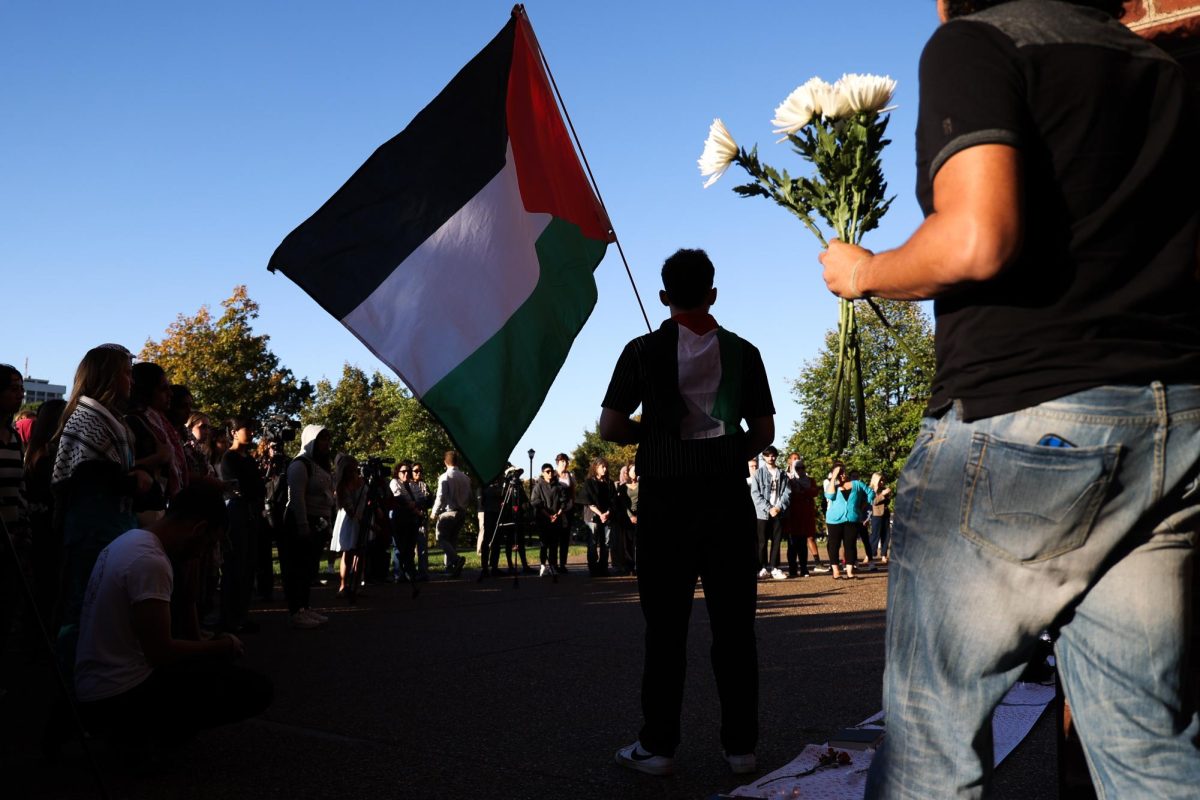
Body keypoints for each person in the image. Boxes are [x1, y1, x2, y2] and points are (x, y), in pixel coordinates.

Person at [818, 1, 1200, 796]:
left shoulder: (978, 43)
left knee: (933, 747)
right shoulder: (1166, 71)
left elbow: (976, 238)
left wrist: (864, 272)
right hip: (1172, 421)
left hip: (1026, 419)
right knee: (1148, 748)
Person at [600, 247, 774, 777]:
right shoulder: (744, 352)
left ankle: (658, 746)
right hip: (725, 498)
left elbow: (609, 426)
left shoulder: (640, 351)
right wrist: (721, 451)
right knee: (735, 627)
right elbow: (764, 434)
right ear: (713, 293)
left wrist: (651, 436)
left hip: (666, 502)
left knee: (666, 628)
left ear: (663, 296)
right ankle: (741, 746)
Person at [74, 480, 272, 742]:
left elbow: (181, 631)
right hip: (119, 692)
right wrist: (222, 646)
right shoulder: (151, 562)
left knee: (209, 665)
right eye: (209, 544)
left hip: (95, 685)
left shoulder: (132, 540)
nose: (204, 554)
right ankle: (144, 737)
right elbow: (161, 652)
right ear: (199, 530)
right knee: (256, 690)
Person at [52, 344, 151, 670]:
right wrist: (131, 479)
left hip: (110, 522)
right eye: (126, 373)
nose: (131, 381)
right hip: (93, 526)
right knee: (85, 604)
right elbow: (85, 475)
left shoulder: (106, 416)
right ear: (108, 375)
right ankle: (75, 683)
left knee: (105, 604)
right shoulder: (88, 417)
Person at [281, 425, 334, 629]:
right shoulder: (300, 465)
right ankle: (296, 611)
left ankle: (305, 606)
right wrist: (303, 525)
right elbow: (297, 497)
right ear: (311, 440)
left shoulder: (320, 465)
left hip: (318, 521)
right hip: (300, 521)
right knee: (298, 567)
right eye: (321, 439)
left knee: (309, 568)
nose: (326, 443)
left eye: (327, 439)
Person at [217, 417, 265, 633]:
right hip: (238, 512)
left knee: (248, 565)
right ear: (234, 432)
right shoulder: (229, 458)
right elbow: (244, 487)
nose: (252, 433)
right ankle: (230, 617)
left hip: (251, 512)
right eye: (248, 428)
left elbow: (257, 487)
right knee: (235, 564)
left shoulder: (249, 459)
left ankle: (242, 615)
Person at [822, 463, 873, 580]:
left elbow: (870, 492)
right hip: (834, 520)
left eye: (844, 472)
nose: (843, 474)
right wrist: (834, 478)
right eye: (840, 473)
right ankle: (836, 572)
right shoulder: (831, 485)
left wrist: (863, 505)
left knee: (850, 545)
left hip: (852, 518)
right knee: (834, 546)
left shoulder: (857, 484)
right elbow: (829, 496)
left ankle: (850, 572)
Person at [330, 455, 368, 602]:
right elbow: (348, 507)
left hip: (362, 517)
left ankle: (356, 586)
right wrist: (358, 517)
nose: (354, 471)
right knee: (349, 552)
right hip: (349, 521)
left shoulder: (362, 481)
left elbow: (366, 498)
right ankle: (343, 585)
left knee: (361, 553)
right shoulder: (342, 486)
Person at [750, 446, 791, 580]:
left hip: (778, 512)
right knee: (762, 542)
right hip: (762, 513)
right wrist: (769, 508)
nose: (771, 458)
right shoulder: (758, 474)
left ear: (776, 456)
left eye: (773, 455)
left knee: (776, 541)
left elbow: (787, 493)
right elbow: (755, 494)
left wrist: (778, 507)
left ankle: (774, 567)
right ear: (764, 457)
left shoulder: (783, 474)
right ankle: (761, 567)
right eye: (768, 455)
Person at [431, 450, 470, 578]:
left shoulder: (445, 477)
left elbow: (440, 497)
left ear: (445, 462)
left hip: (449, 512)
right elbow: (469, 496)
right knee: (452, 541)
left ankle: (456, 560)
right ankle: (451, 568)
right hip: (462, 512)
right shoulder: (466, 478)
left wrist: (434, 513)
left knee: (441, 538)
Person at [782, 454, 820, 578]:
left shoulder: (810, 480)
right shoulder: (789, 480)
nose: (800, 470)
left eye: (802, 467)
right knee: (792, 545)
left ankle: (804, 569)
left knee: (803, 544)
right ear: (793, 468)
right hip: (792, 516)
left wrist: (803, 490)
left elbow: (815, 492)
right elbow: (787, 495)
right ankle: (793, 569)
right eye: (797, 468)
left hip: (805, 516)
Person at [578, 457, 617, 577]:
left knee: (606, 543)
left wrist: (608, 513)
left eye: (606, 467)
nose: (605, 469)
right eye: (602, 467)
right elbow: (588, 501)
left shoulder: (609, 483)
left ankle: (603, 567)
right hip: (593, 516)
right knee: (593, 542)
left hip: (607, 516)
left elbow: (613, 500)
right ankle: (593, 568)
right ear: (596, 468)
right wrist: (600, 514)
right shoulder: (589, 482)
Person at [529, 462, 567, 577]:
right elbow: (535, 502)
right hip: (543, 520)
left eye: (551, 471)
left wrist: (558, 514)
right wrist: (548, 515)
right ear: (543, 473)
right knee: (544, 544)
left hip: (556, 519)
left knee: (554, 544)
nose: (550, 473)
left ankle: (553, 566)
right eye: (547, 471)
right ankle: (543, 565)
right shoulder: (538, 486)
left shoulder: (558, 486)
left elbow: (564, 501)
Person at [554, 453, 576, 571]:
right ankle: (553, 563)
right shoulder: (552, 474)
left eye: (566, 461)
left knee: (565, 537)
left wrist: (572, 504)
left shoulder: (570, 475)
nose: (565, 463)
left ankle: (562, 564)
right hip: (555, 510)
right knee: (554, 537)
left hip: (568, 509)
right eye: (562, 461)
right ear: (558, 462)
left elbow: (573, 491)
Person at [867, 472, 892, 564]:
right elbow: (873, 502)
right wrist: (882, 494)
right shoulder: (870, 490)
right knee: (874, 535)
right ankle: (870, 554)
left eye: (883, 480)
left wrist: (888, 495)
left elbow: (887, 502)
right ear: (875, 480)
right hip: (876, 515)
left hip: (885, 514)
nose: (882, 482)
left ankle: (884, 555)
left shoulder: (884, 489)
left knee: (886, 536)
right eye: (880, 480)